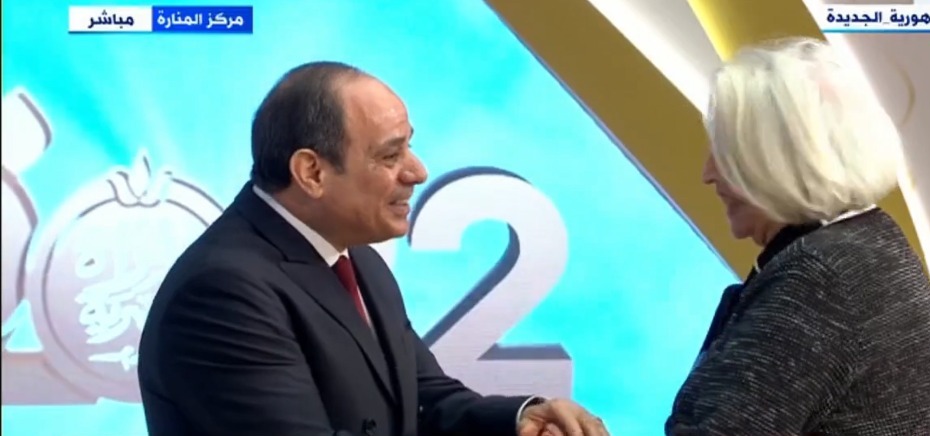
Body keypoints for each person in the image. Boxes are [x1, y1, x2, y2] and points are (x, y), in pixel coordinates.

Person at [138, 61, 609, 436]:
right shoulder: (222, 292)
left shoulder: (354, 255)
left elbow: (424, 400)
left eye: (409, 147)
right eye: (390, 155)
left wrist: (521, 421)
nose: (418, 171)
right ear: (312, 173)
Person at [665, 37, 930, 435]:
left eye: (725, 152)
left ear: (775, 158)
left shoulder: (819, 278)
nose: (708, 174)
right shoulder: (869, 242)